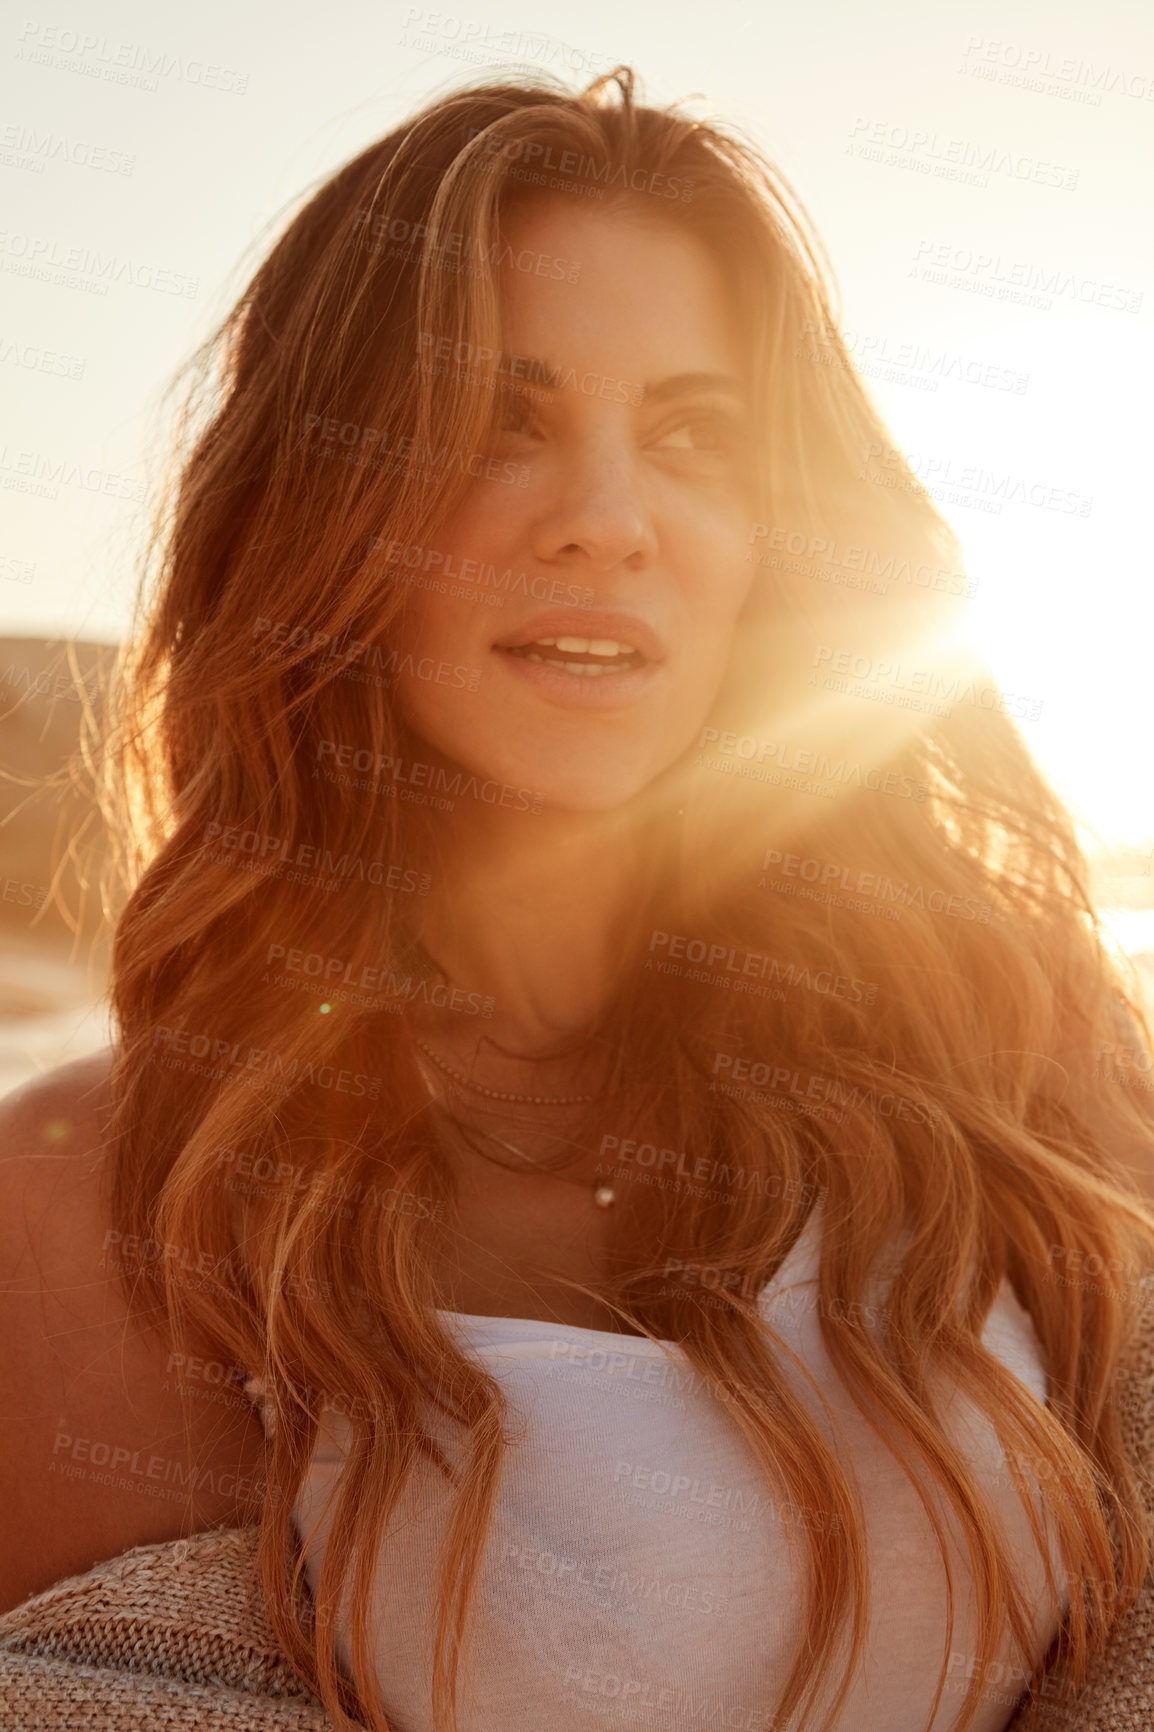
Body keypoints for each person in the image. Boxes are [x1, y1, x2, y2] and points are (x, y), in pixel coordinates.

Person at [3, 65, 1154, 1732]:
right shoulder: (112, 1197)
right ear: (324, 513)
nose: (607, 522)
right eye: (494, 424)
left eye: (693, 435)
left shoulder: (1034, 1076)